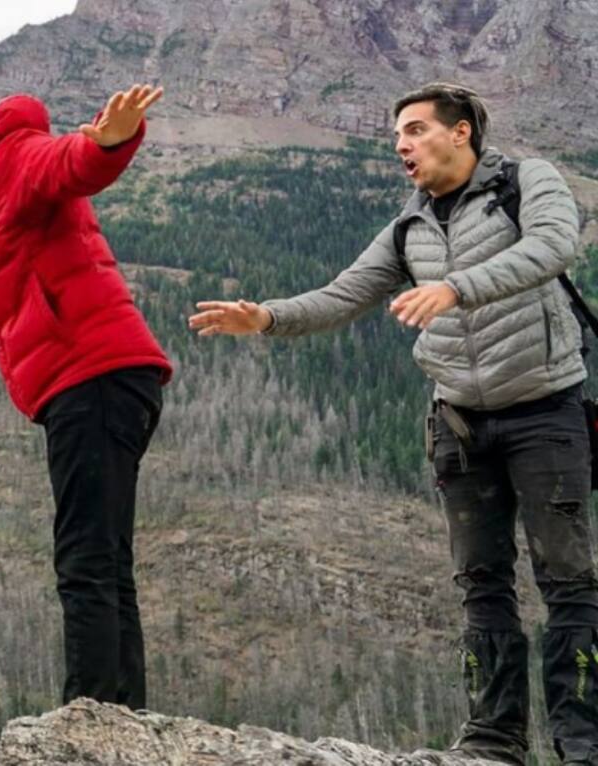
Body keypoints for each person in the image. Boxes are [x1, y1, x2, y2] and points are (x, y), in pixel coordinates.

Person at [188, 82, 597, 765]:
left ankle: (582, 744)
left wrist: (456, 287)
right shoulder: (410, 226)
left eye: (414, 130)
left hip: (545, 412)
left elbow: (554, 246)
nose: (401, 146)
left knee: (568, 582)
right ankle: (494, 741)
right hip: (459, 424)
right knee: (481, 582)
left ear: (460, 132)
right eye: (396, 136)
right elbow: (345, 294)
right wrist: (267, 318)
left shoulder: (528, 182)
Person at [0, 82, 172, 710]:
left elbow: (72, 163)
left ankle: (87, 718)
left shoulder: (13, 157)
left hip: (92, 377)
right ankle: (122, 715)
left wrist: (113, 140)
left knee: (83, 561)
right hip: (106, 379)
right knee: (106, 559)